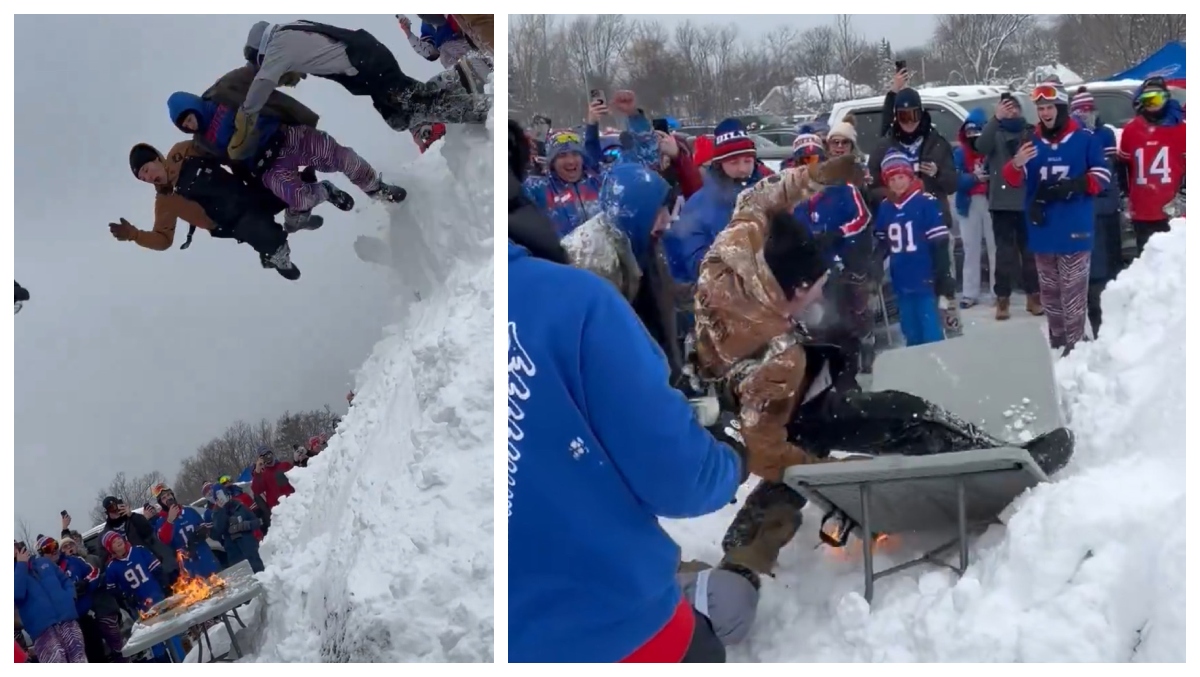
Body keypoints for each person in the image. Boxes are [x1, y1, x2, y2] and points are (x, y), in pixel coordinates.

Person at [689, 166, 1075, 580]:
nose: (821, 294)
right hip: (753, 409)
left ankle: (745, 552)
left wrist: (816, 175)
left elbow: (757, 200)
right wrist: (835, 477)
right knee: (897, 415)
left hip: (723, 385)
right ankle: (1007, 463)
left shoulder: (728, 257)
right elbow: (765, 451)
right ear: (797, 289)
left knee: (815, 429)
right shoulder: (780, 358)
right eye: (817, 287)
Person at [508, 119, 744, 663]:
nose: (669, 221)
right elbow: (674, 475)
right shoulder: (579, 286)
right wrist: (730, 457)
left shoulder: (627, 246)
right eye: (661, 210)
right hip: (611, 626)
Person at [167, 91, 404, 232]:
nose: (189, 125)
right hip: (267, 167)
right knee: (298, 198)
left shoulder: (222, 95)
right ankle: (322, 194)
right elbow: (184, 160)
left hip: (287, 137)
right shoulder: (201, 143)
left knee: (341, 157)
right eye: (183, 125)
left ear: (193, 106)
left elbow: (254, 78)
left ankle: (377, 189)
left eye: (188, 118)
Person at [234, 19, 488, 145]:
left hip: (368, 63)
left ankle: (480, 110)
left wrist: (245, 116)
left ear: (262, 51)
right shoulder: (293, 31)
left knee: (410, 107)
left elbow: (264, 79)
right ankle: (462, 77)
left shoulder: (278, 43)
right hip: (369, 61)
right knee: (405, 109)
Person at [1002, 83, 1111, 355]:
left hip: (1074, 229)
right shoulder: (1032, 142)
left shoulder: (1085, 138)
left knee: (1072, 295)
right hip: (1043, 230)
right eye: (1040, 108)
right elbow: (1011, 180)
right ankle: (1058, 346)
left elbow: (1103, 176)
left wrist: (1074, 185)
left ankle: (1076, 351)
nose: (1045, 113)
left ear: (1061, 108)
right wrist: (1016, 163)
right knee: (1050, 296)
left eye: (1050, 107)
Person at [560, 161, 684, 382]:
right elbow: (599, 344)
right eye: (659, 211)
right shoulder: (593, 260)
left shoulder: (638, 237)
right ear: (634, 211)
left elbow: (658, 297)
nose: (667, 221)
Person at [114, 141, 302, 279]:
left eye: (146, 170)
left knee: (289, 190)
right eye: (142, 178)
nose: (147, 177)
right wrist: (134, 235)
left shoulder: (182, 151)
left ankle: (304, 205)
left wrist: (241, 166)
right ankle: (277, 254)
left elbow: (214, 148)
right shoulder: (165, 202)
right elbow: (163, 240)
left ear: (157, 159)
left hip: (239, 192)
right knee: (260, 231)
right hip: (227, 222)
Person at [875, 150, 953, 347]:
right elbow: (882, 243)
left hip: (925, 278)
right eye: (891, 179)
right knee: (910, 333)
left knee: (931, 332)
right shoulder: (886, 207)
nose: (897, 183)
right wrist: (874, 265)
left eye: (901, 177)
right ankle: (917, 374)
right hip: (901, 280)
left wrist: (943, 275)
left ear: (910, 177)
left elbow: (939, 243)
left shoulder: (925, 203)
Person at [977, 92, 1041, 320]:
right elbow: (980, 146)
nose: (1010, 110)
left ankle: (1034, 296)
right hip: (1001, 203)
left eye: (1014, 106)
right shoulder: (994, 131)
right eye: (1006, 106)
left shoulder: (1030, 131)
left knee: (1030, 253)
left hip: (1027, 200)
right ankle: (1002, 299)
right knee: (1004, 254)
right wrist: (995, 119)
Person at [1070, 89, 1122, 337]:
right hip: (1074, 225)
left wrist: (1090, 206)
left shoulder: (1104, 141)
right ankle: (1078, 332)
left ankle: (1103, 329)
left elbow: (1109, 190)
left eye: (1088, 110)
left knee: (1101, 277)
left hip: (1099, 222)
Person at [1118, 76, 1186, 257]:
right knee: (1148, 264)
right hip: (1142, 211)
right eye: (1147, 100)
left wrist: (1184, 195)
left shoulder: (1181, 129)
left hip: (1174, 213)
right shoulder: (1131, 130)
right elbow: (1123, 166)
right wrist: (1125, 196)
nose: (1152, 104)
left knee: (1175, 265)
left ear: (1166, 98)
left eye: (1157, 98)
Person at [100, 533, 184, 662]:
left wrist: (165, 586)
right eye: (113, 542)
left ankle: (182, 660)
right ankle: (164, 661)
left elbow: (157, 570)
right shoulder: (112, 568)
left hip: (158, 598)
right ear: (110, 549)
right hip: (141, 607)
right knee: (153, 638)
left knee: (171, 630)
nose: (118, 541)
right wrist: (126, 596)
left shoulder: (139, 550)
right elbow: (112, 589)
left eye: (118, 538)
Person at [953, 108, 997, 309]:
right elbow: (955, 179)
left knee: (994, 247)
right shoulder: (960, 153)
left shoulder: (992, 149)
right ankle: (970, 292)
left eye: (977, 132)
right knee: (970, 248)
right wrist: (973, 178)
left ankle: (998, 291)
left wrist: (990, 178)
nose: (973, 136)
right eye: (969, 132)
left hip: (991, 201)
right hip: (968, 202)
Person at [15, 541, 86, 663]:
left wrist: (70, 597)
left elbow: (65, 580)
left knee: (79, 660)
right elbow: (16, 594)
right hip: (42, 630)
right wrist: (21, 565)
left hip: (67, 620)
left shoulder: (43, 562)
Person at [98, 495, 178, 585]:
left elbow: (148, 531)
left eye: (117, 507)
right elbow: (104, 561)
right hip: (132, 577)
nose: (115, 511)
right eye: (111, 509)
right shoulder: (105, 535)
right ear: (107, 512)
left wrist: (131, 515)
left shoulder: (133, 519)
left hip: (151, 565)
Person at [150, 484, 220, 578]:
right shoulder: (161, 521)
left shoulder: (189, 511)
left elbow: (206, 527)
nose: (168, 498)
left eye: (169, 495)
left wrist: (203, 531)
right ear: (161, 503)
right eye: (163, 498)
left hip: (205, 556)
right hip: (188, 564)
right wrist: (169, 520)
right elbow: (164, 540)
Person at [208, 485, 264, 573]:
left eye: (224, 496)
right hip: (234, 553)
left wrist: (243, 525)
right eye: (218, 499)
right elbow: (217, 531)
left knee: (260, 572)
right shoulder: (216, 514)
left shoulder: (239, 506)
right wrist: (221, 510)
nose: (223, 500)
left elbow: (256, 522)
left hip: (250, 548)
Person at [397, 14, 472, 68]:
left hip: (471, 46)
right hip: (455, 62)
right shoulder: (427, 24)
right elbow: (430, 53)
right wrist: (408, 33)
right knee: (445, 52)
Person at [250, 445, 296, 510]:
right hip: (277, 509)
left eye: (268, 454)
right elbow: (256, 490)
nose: (268, 457)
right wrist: (257, 471)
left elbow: (297, 479)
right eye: (264, 456)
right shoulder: (262, 475)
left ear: (272, 454)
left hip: (293, 503)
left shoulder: (285, 465)